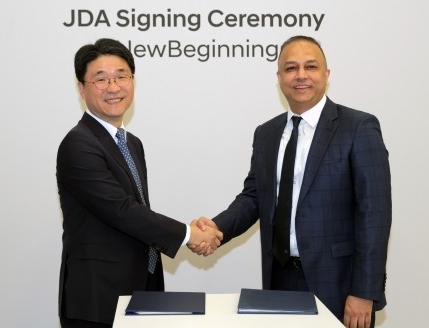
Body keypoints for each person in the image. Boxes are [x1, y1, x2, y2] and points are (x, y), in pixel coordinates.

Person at [191, 35, 391, 328]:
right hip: (279, 279)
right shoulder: (266, 133)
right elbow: (253, 198)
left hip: (338, 284)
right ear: (279, 78)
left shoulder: (358, 127)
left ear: (326, 74)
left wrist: (364, 291)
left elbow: (375, 215)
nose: (301, 75)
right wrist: (216, 228)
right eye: (291, 68)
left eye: (311, 66)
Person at [56, 38, 222, 328]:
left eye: (122, 76)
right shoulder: (78, 144)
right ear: (81, 88)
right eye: (101, 79)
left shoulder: (132, 143)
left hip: (141, 287)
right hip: (98, 299)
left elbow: (138, 210)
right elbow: (121, 210)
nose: (113, 87)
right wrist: (189, 234)